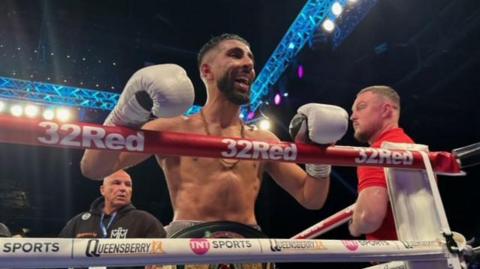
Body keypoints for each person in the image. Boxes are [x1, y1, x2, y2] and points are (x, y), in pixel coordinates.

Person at [80, 33, 349, 237]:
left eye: (250, 59)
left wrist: (320, 152)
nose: (248, 64)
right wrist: (126, 114)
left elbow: (310, 197)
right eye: (235, 55)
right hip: (189, 242)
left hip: (247, 244)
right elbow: (94, 168)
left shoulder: (263, 140)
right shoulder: (173, 128)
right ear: (206, 71)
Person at [59, 170, 166, 269]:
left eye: (128, 185)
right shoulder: (80, 221)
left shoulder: (145, 221)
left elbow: (165, 253)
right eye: (116, 183)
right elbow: (58, 253)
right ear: (102, 190)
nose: (123, 188)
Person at [348, 85, 414, 240]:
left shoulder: (377, 153)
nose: (353, 117)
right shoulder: (414, 148)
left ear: (386, 110)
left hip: (396, 259)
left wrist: (354, 224)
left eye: (361, 107)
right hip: (425, 251)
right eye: (352, 111)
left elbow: (368, 218)